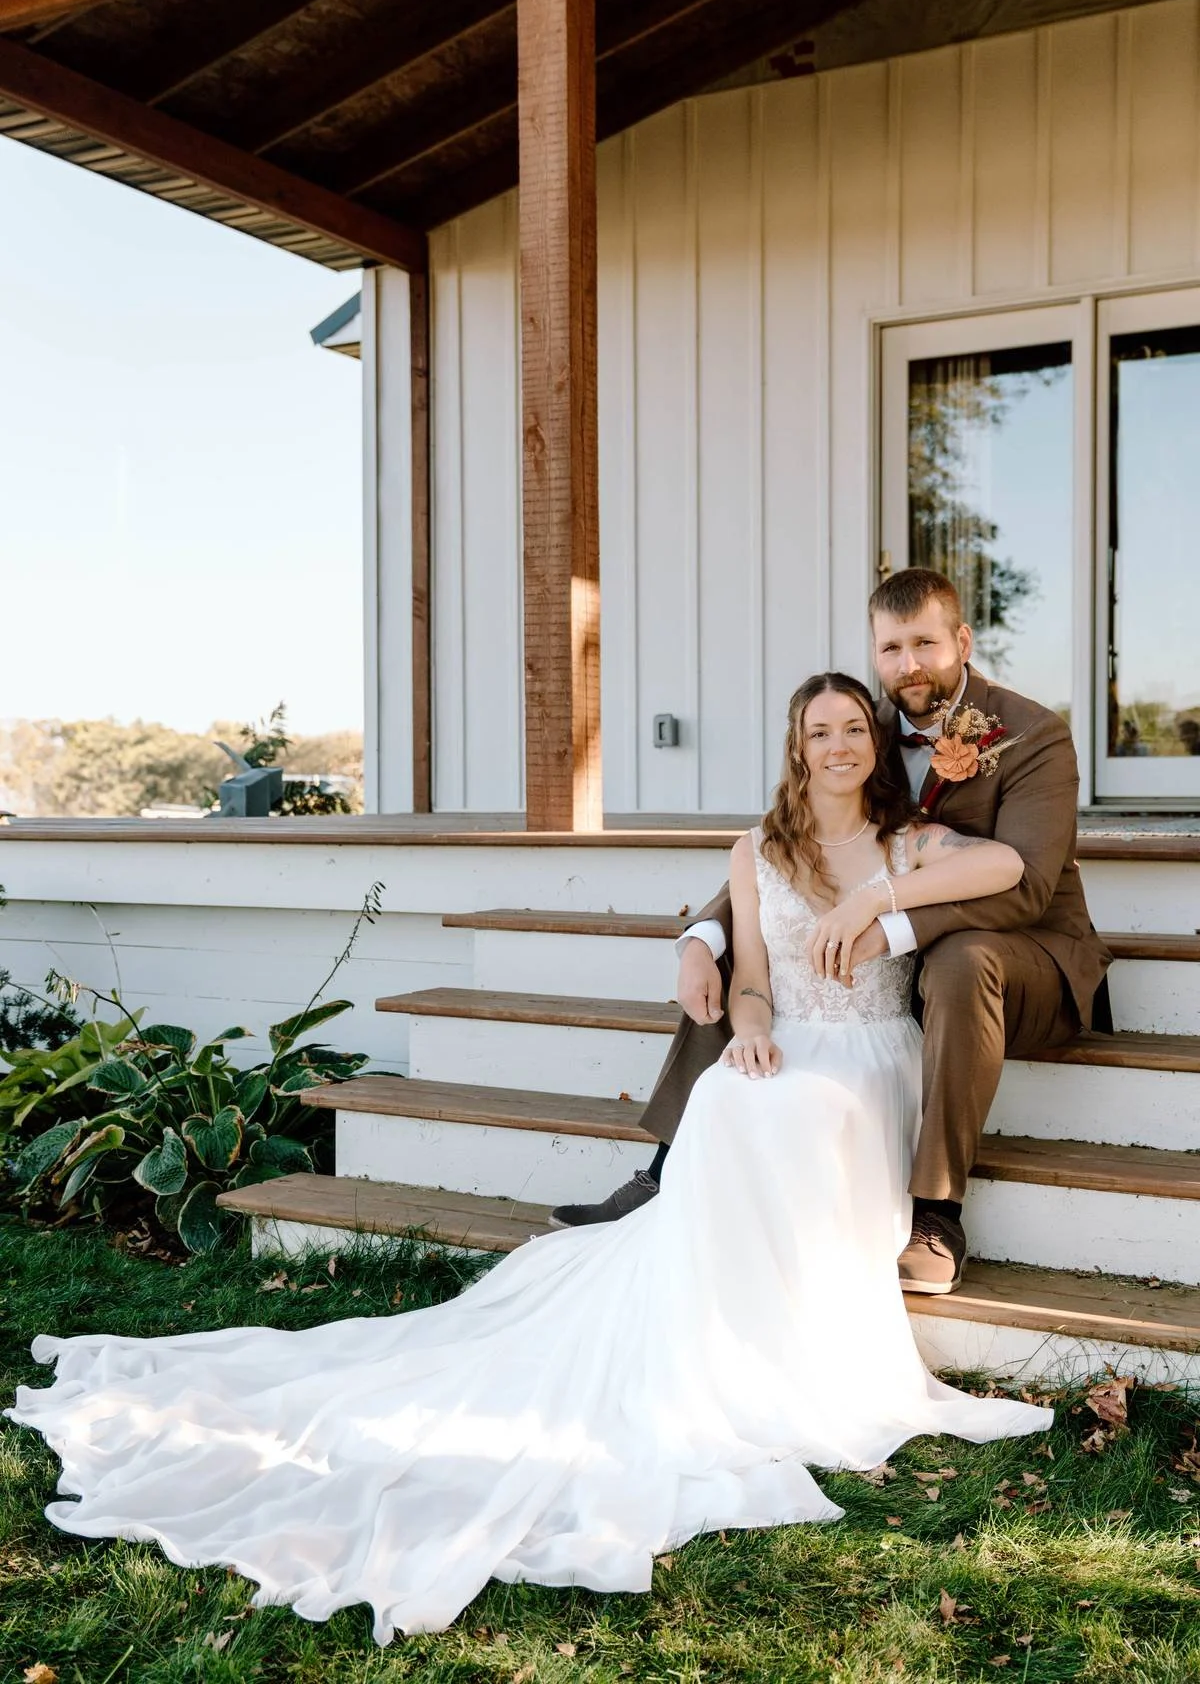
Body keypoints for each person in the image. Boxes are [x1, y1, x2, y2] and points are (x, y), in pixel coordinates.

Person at [8, 671, 1054, 1643]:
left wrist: (876, 898)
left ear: (877, 744)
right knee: (733, 1099)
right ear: (796, 747)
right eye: (817, 731)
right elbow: (748, 971)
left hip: (871, 1059)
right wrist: (745, 1020)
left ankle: (777, 1338)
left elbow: (1009, 863)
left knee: (775, 1117)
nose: (837, 745)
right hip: (786, 1041)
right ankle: (718, 1328)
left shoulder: (914, 842)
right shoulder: (754, 849)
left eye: (853, 729)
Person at [552, 569, 1112, 1298]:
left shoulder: (1034, 735)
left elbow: (1029, 883)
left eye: (925, 644)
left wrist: (889, 919)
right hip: (891, 938)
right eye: (890, 647)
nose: (907, 664)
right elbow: (790, 848)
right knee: (757, 954)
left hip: (1031, 954)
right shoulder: (861, 722)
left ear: (962, 642)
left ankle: (937, 1213)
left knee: (958, 961)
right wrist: (702, 938)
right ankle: (668, 1170)